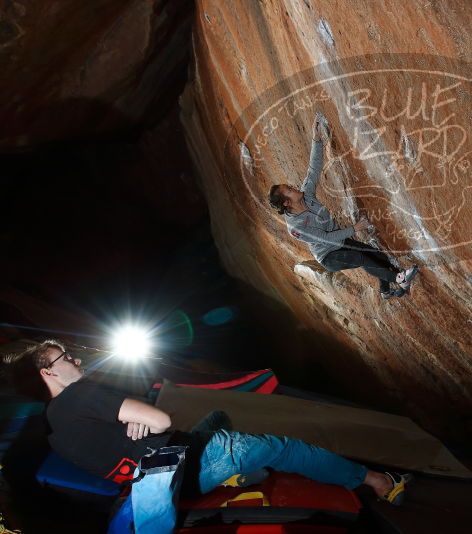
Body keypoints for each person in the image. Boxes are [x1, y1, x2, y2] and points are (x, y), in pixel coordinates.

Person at [5, 339, 410, 504]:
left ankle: (233, 477)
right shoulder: (83, 393)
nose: (75, 360)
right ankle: (379, 483)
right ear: (48, 373)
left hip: (170, 488)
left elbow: (116, 452)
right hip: (192, 462)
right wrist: (146, 422)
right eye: (65, 358)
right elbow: (161, 419)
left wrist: (136, 428)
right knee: (285, 448)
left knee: (216, 417)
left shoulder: (55, 434)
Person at [269, 114, 419, 299]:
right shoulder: (296, 228)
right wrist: (355, 229)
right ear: (286, 203)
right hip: (328, 255)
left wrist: (316, 139)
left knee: (376, 254)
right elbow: (325, 238)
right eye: (289, 190)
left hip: (339, 242)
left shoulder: (306, 195)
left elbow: (313, 170)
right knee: (361, 258)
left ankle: (386, 290)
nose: (294, 187)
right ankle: (398, 278)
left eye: (290, 187)